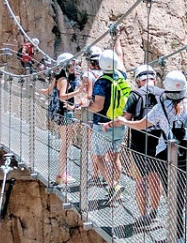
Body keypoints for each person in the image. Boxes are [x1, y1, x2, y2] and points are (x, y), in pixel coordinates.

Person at [114, 70, 187, 243]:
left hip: (165, 156)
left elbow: (140, 125)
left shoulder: (160, 107)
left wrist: (123, 121)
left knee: (173, 194)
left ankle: (177, 235)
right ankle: (178, 231)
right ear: (184, 89)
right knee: (178, 193)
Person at [122, 64, 165, 227]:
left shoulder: (135, 94)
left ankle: (143, 215)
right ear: (154, 78)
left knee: (140, 181)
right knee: (155, 179)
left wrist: (117, 121)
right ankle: (154, 212)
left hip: (138, 143)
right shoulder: (164, 95)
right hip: (160, 143)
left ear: (139, 81)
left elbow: (127, 117)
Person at [87, 50, 129, 199]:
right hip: (119, 123)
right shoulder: (122, 76)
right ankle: (115, 186)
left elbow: (98, 106)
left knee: (99, 157)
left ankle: (113, 185)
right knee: (115, 158)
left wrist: (87, 106)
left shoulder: (101, 81)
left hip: (102, 125)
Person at [41, 53, 79, 185]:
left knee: (66, 143)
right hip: (65, 113)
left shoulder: (58, 77)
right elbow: (63, 96)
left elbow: (49, 90)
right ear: (66, 65)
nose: (74, 66)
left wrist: (42, 91)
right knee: (66, 144)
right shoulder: (64, 79)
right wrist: (79, 92)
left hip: (61, 113)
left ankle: (62, 173)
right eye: (72, 64)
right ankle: (62, 174)